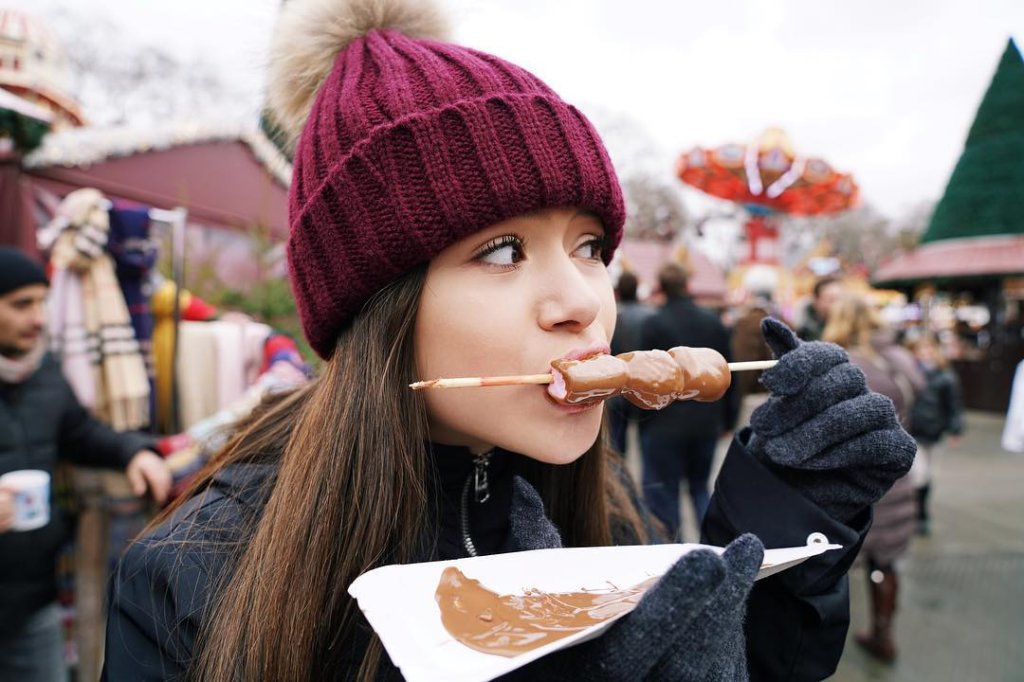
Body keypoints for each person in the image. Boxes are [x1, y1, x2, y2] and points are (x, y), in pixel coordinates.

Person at [101, 1, 916, 680]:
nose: (580, 303)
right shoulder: (195, 574)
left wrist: (778, 546)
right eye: (502, 251)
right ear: (377, 310)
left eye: (591, 246)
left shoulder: (613, 520)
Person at [0, 246, 171, 682]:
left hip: (35, 601)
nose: (39, 319)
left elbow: (80, 433)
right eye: (22, 305)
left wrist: (134, 451)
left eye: (42, 302)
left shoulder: (45, 371)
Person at [823, 293, 925, 664]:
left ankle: (824, 642)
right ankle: (884, 632)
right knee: (885, 563)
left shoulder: (841, 364)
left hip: (851, 481)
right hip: (898, 474)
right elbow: (921, 392)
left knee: (835, 565)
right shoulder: (898, 358)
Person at [637, 262, 735, 538]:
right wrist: (728, 418)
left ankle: (671, 554)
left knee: (663, 494)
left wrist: (641, 421)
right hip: (706, 419)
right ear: (688, 286)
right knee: (700, 488)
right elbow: (728, 372)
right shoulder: (713, 323)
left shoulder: (654, 324)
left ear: (662, 288)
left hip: (663, 423)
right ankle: (711, 549)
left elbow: (646, 378)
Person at [907, 335, 964, 536]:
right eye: (920, 350)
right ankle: (916, 513)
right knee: (918, 474)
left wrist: (955, 429)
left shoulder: (944, 376)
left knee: (929, 474)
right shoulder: (909, 374)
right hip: (914, 433)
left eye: (928, 349)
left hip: (935, 433)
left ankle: (922, 513)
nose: (925, 354)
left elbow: (953, 405)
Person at [607, 271, 652, 455]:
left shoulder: (614, 316)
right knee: (647, 441)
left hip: (618, 387)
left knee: (617, 444)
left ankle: (619, 479)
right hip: (647, 384)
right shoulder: (650, 315)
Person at [797, 276, 844, 341]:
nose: (837, 305)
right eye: (831, 300)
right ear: (816, 300)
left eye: (840, 299)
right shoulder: (802, 328)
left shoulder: (847, 324)